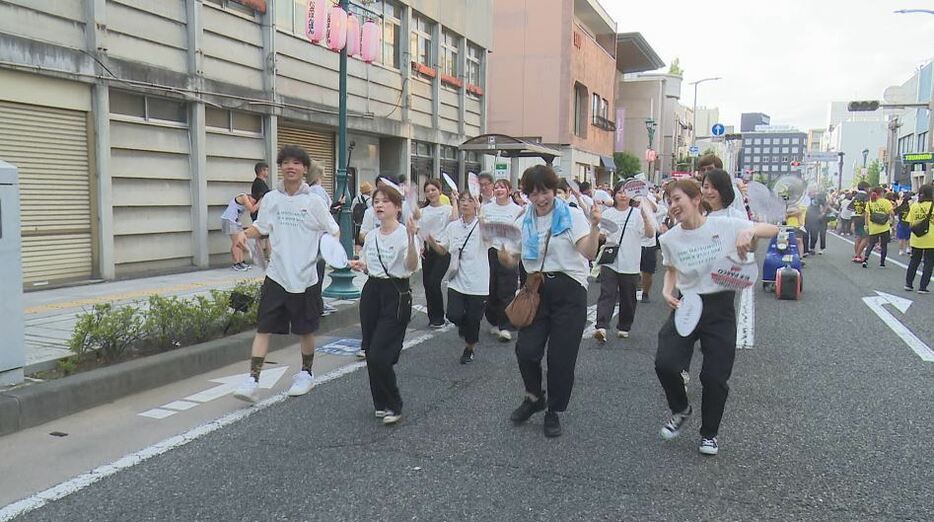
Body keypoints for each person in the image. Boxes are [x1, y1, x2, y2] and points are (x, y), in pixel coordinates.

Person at [655, 179, 778, 456]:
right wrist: (665, 290)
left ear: (696, 199)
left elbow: (773, 229)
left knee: (714, 377)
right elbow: (671, 269)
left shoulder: (725, 225)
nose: (673, 206)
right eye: (669, 201)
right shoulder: (669, 238)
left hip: (720, 307)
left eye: (677, 199)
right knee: (666, 363)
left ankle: (709, 434)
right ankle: (681, 409)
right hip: (688, 304)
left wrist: (751, 233)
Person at [232, 145, 340, 404]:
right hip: (277, 274)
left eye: (296, 163)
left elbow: (333, 230)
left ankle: (306, 373)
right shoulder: (271, 199)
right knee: (264, 327)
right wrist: (243, 234)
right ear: (281, 167)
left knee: (305, 330)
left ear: (305, 169)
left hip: (305, 278)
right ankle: (253, 381)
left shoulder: (314, 201)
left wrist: (326, 250)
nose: (290, 167)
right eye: (286, 163)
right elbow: (262, 226)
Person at [500, 165, 601, 438]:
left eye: (544, 192)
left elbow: (588, 251)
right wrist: (502, 252)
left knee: (560, 358)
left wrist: (594, 228)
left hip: (570, 291)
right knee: (526, 350)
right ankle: (534, 397)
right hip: (536, 289)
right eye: (533, 194)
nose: (540, 199)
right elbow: (511, 259)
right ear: (526, 195)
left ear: (554, 190)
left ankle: (554, 410)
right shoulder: (523, 220)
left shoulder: (572, 216)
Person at [349, 186, 421, 425]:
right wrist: (360, 265)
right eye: (376, 201)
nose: (379, 205)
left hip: (396, 293)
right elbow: (369, 265)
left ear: (397, 207)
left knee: (381, 353)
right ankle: (380, 402)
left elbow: (411, 266)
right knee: (370, 349)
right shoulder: (371, 235)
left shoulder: (405, 233)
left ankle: (394, 404)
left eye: (385, 202)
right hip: (372, 291)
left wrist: (411, 238)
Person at [426, 191, 489, 363]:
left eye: (470, 201)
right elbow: (442, 250)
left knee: (474, 319)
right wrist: (430, 240)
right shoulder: (453, 227)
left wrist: (482, 215)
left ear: (476, 204)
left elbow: (489, 238)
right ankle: (465, 326)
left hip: (479, 282)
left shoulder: (482, 225)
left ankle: (469, 349)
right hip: (456, 279)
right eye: (462, 200)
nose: (465, 204)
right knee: (453, 315)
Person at [593, 181, 654, 343]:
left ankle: (624, 326)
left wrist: (646, 219)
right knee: (607, 293)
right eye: (619, 192)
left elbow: (648, 234)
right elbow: (601, 235)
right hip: (610, 261)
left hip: (631, 262)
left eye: (626, 192)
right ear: (614, 194)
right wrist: (601, 235)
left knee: (628, 297)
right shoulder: (608, 214)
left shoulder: (637, 214)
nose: (622, 195)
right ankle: (601, 326)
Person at [480, 178, 525, 342]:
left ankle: (506, 326)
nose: (499, 190)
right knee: (491, 289)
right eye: (497, 187)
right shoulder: (486, 208)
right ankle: (493, 320)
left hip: (509, 252)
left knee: (507, 290)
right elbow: (483, 229)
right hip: (490, 251)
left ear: (509, 190)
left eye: (502, 187)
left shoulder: (517, 210)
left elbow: (520, 232)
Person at [419, 179, 456, 328]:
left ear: (440, 191)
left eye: (433, 190)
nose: (430, 193)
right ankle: (433, 318)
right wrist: (420, 246)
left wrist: (455, 201)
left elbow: (455, 220)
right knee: (427, 283)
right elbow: (419, 230)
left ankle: (439, 317)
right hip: (427, 250)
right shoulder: (422, 211)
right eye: (427, 191)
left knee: (434, 282)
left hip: (442, 249)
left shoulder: (447, 209)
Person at [905, 184, 934, 293]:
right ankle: (923, 287)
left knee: (914, 261)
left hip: (916, 237)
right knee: (929, 262)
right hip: (931, 238)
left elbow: (910, 224)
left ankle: (908, 284)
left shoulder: (914, 206)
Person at [220, 192, 258, 271]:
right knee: (236, 242)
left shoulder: (247, 200)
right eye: (253, 201)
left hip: (236, 222)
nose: (253, 203)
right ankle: (236, 263)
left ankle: (241, 261)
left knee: (241, 241)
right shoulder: (243, 196)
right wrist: (261, 201)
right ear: (250, 197)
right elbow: (252, 209)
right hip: (229, 220)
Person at [862, 187, 894, 268]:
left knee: (871, 244)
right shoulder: (886, 202)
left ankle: (865, 259)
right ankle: (882, 263)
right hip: (884, 227)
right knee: (884, 245)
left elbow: (866, 215)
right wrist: (891, 220)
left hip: (873, 227)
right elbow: (892, 213)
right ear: (881, 193)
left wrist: (866, 225)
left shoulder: (870, 202)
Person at [850, 182, 871, 262]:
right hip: (863, 218)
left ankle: (857, 255)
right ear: (865, 188)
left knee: (858, 237)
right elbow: (867, 208)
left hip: (856, 217)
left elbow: (850, 208)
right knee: (866, 237)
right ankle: (858, 255)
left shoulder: (855, 196)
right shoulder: (866, 197)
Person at [352, 181, 374, 249]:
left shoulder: (356, 199)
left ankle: (357, 254)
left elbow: (352, 209)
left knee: (357, 242)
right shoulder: (370, 200)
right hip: (366, 224)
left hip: (357, 224)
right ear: (369, 191)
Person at [895, 192, 913, 256]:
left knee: (901, 238)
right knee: (908, 237)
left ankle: (901, 250)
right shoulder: (911, 207)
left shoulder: (900, 207)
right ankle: (908, 248)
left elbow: (895, 212)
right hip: (909, 223)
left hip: (901, 223)